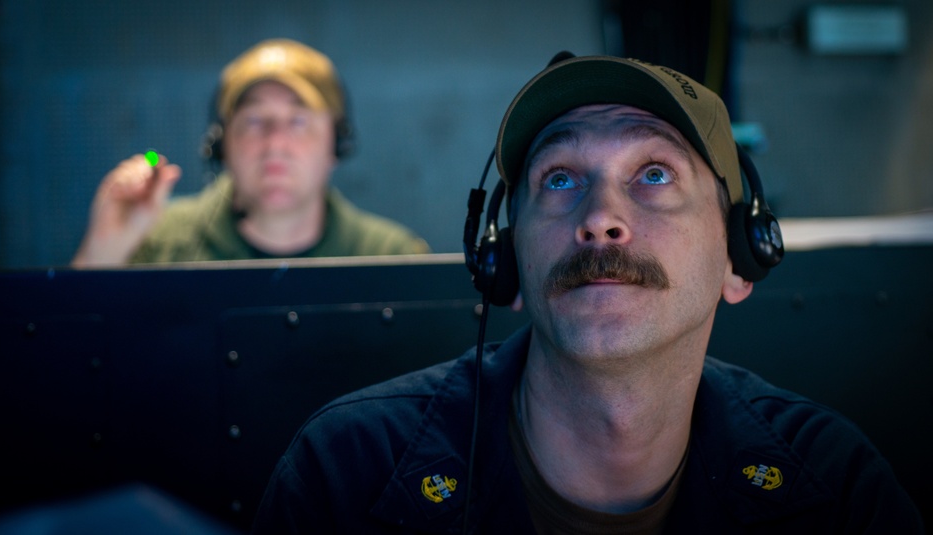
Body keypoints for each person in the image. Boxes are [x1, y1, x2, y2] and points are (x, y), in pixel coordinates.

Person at [253, 54, 924, 533]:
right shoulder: (345, 472)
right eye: (561, 178)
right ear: (504, 263)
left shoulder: (836, 487)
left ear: (741, 258)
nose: (601, 216)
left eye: (655, 173)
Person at [71, 38, 429, 266]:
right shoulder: (154, 245)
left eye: (298, 122)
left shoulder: (393, 257)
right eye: (255, 121)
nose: (275, 143)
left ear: (337, 144)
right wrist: (102, 253)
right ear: (221, 144)